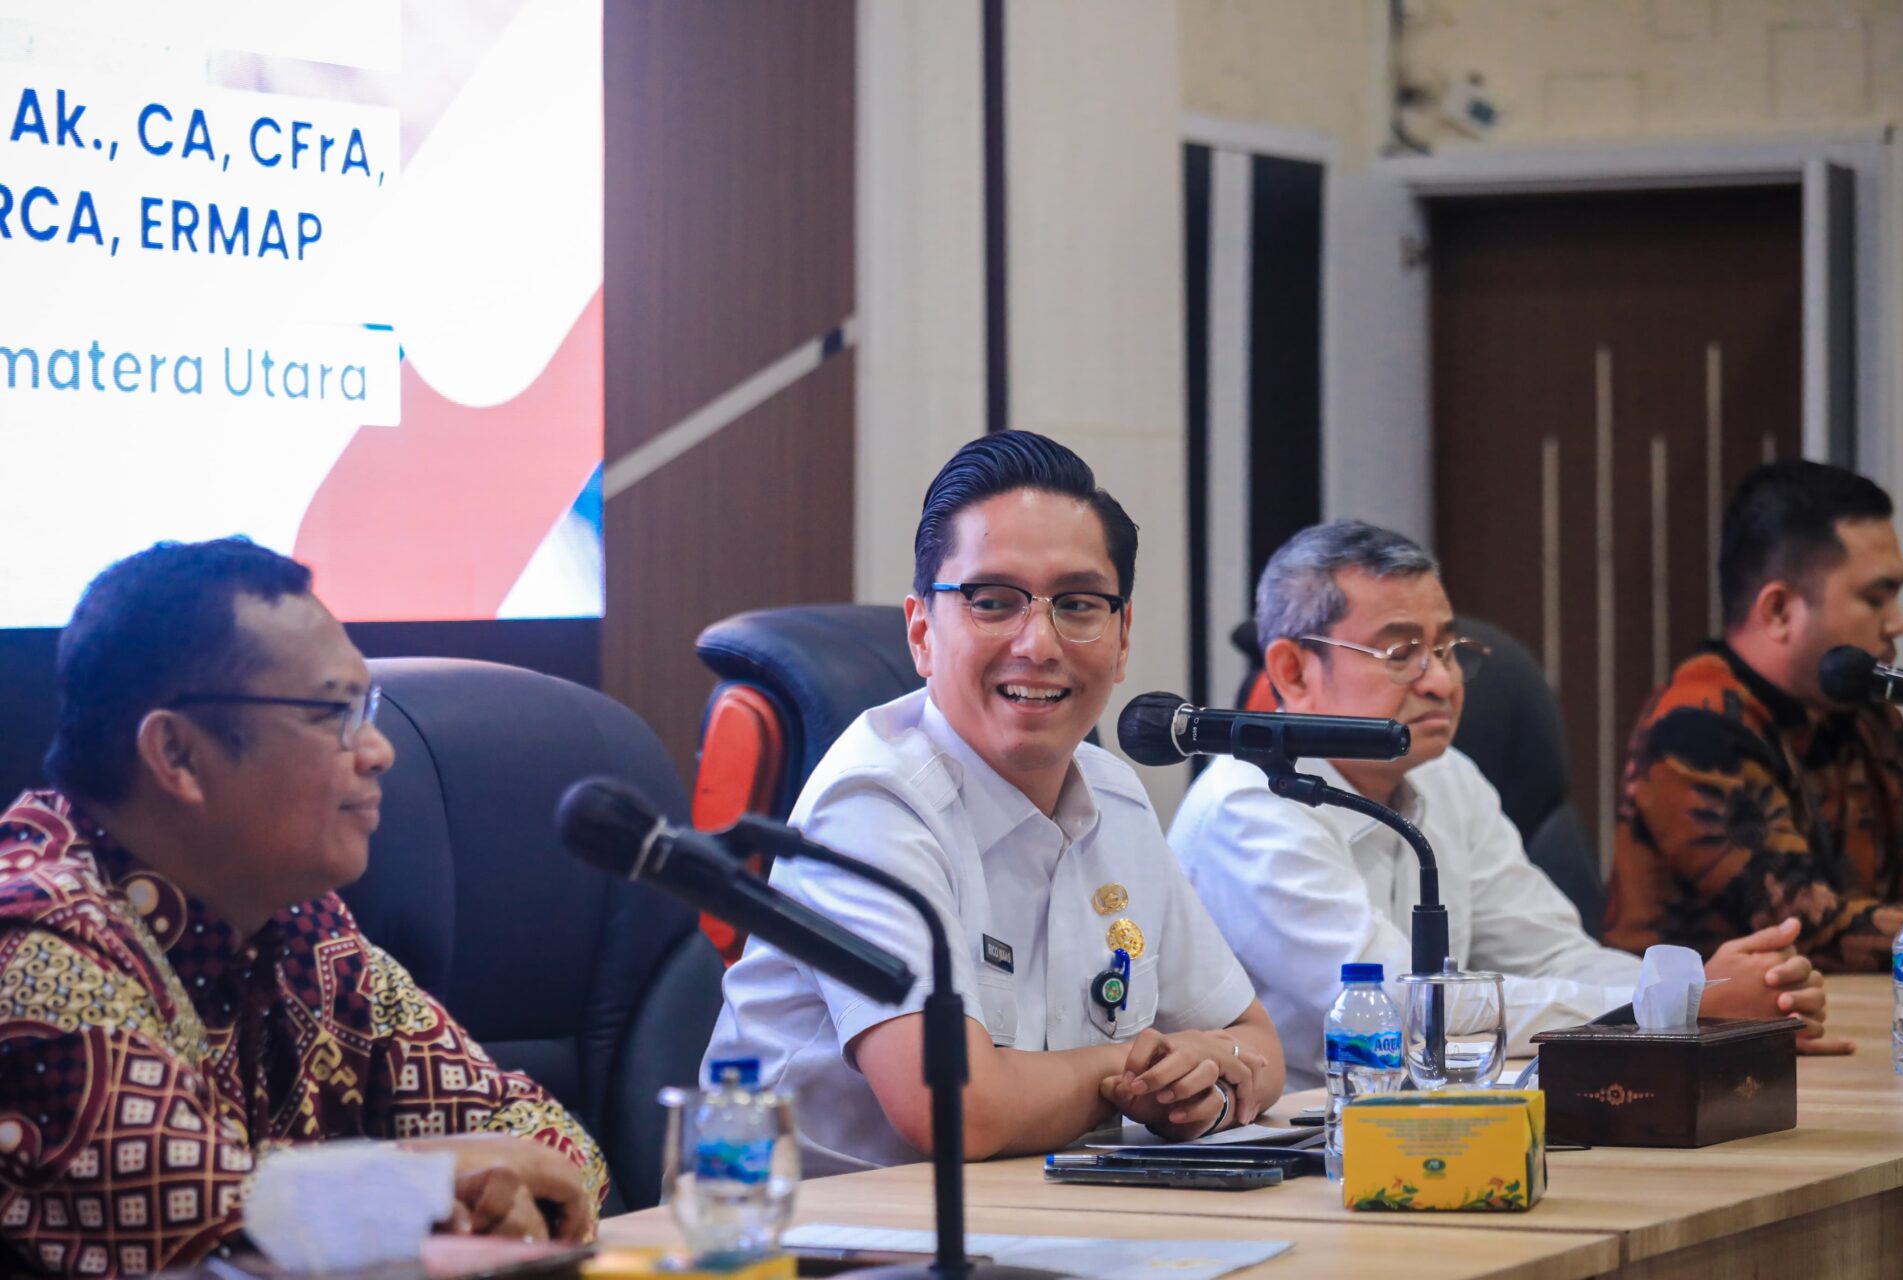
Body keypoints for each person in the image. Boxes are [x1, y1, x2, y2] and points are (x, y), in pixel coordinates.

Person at [0, 540, 604, 1278]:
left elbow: (537, 1140)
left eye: (366, 710)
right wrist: (437, 1178)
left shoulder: (303, 926)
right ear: (178, 755)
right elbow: (200, 1221)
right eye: (333, 713)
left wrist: (491, 1189)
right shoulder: (31, 942)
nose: (379, 751)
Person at [705, 432, 1285, 1174]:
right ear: (922, 633)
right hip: (811, 1227)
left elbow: (1256, 1044)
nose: (1038, 643)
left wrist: (1203, 1085)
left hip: (1041, 1211)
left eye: (1078, 604)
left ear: (1121, 638)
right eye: (993, 602)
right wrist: (1133, 1074)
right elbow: (955, 1108)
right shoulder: (871, 803)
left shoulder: (1115, 797)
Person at [1169, 521, 1844, 1092]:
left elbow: (1554, 956)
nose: (1442, 681)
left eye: (1447, 649)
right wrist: (1679, 1007)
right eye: (1402, 652)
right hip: (1294, 1145)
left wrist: (1709, 993)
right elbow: (1410, 1012)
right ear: (1292, 671)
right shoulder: (1249, 809)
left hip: (1429, 1119)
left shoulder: (1448, 778)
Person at [1609, 460, 1903, 973]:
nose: (1898, 623)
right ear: (1779, 611)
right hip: (1699, 1020)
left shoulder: (1868, 715)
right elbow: (1805, 926)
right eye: (1875, 598)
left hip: (1843, 1008)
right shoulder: (1694, 729)